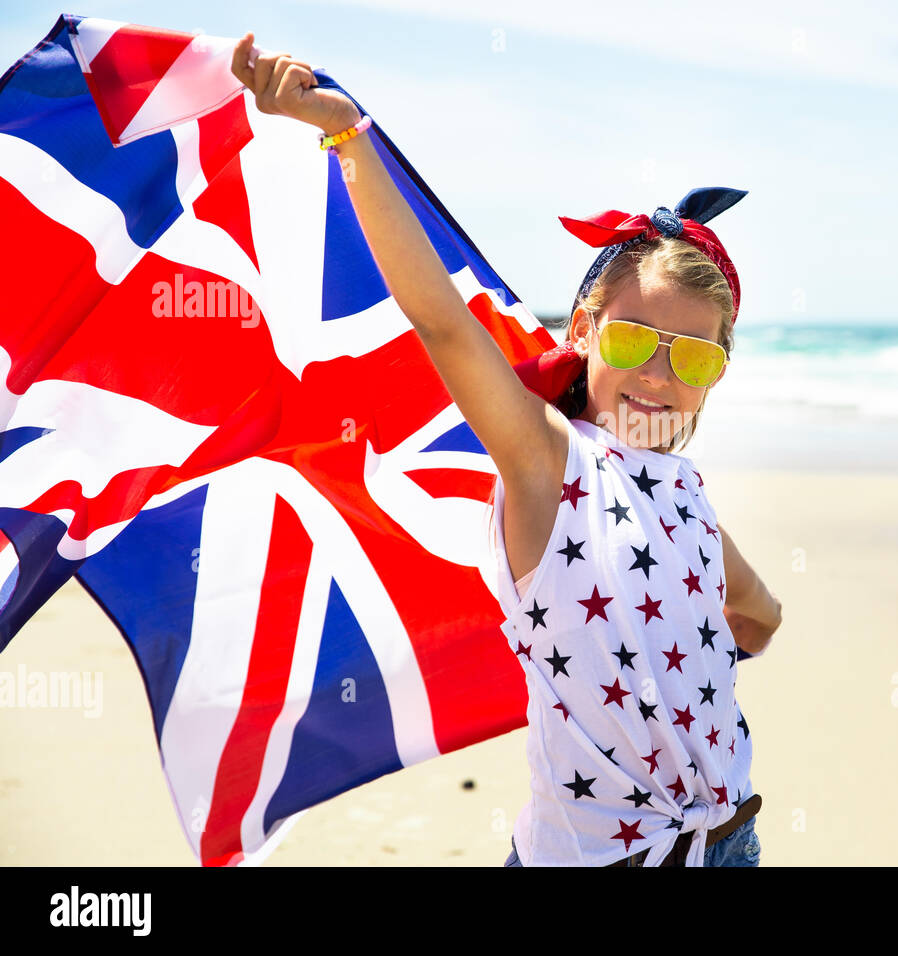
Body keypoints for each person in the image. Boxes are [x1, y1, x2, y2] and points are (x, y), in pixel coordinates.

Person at [230, 33, 783, 867]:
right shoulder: (549, 460)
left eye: (695, 356)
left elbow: (756, 611)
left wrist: (713, 653)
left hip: (731, 840)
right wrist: (347, 136)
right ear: (587, 328)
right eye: (636, 341)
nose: (661, 376)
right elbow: (444, 324)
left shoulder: (686, 493)